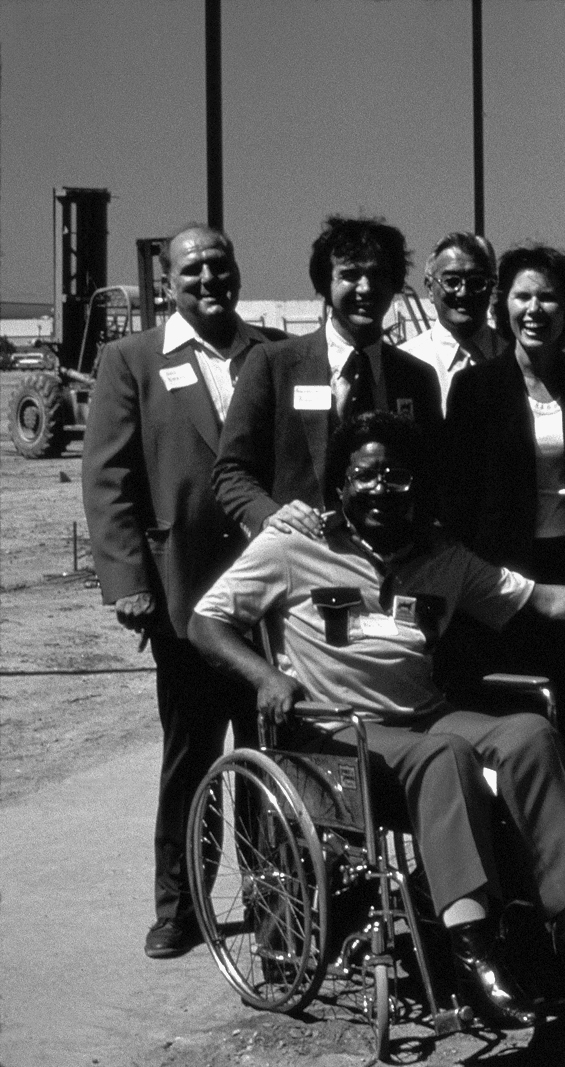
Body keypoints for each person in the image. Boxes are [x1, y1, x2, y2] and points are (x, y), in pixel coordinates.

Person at [189, 411, 565, 1030]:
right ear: (341, 484)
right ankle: (474, 950)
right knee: (445, 758)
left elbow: (545, 599)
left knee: (528, 734)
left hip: (424, 717)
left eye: (399, 476)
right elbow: (205, 621)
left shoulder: (440, 556)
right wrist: (266, 676)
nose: (383, 489)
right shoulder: (294, 548)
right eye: (366, 476)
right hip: (337, 734)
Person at [81, 224, 287, 959]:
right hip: (186, 600)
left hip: (271, 599)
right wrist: (128, 582)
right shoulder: (132, 361)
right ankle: (181, 904)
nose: (209, 279)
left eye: (220, 266)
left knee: (269, 755)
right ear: (168, 282)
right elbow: (107, 480)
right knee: (191, 756)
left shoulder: (271, 354)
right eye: (193, 269)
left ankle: (273, 906)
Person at [441, 244, 565, 795]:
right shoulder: (476, 388)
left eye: (548, 296)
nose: (535, 308)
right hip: (505, 574)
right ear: (505, 306)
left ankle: (562, 836)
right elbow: (459, 493)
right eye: (523, 296)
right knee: (511, 711)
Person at [213, 215, 442, 539]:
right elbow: (231, 471)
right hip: (297, 554)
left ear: (395, 283)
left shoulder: (417, 378)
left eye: (378, 274)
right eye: (350, 275)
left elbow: (431, 477)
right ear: (324, 284)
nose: (365, 287)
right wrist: (271, 517)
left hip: (390, 562)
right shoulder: (273, 365)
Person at [401, 231, 509, 415]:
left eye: (476, 282)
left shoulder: (512, 359)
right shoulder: (402, 366)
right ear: (429, 288)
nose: (463, 292)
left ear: (492, 286)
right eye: (452, 281)